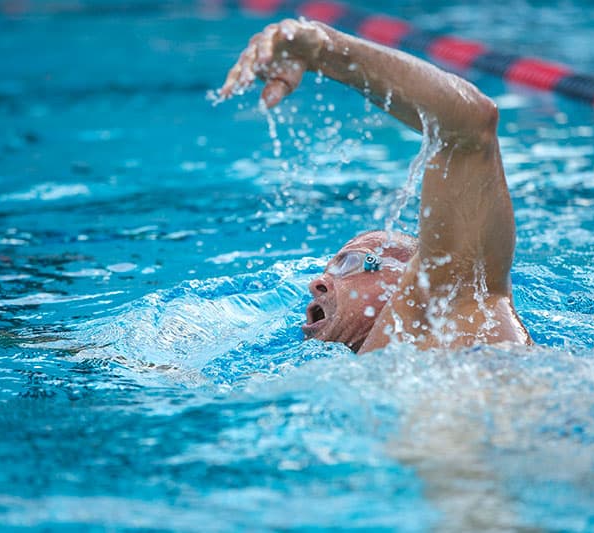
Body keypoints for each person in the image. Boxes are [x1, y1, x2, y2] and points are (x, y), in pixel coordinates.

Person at [220, 18, 531, 353]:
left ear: (413, 274)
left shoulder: (459, 307)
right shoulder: (367, 366)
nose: (317, 285)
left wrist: (324, 50)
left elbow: (469, 125)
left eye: (354, 263)